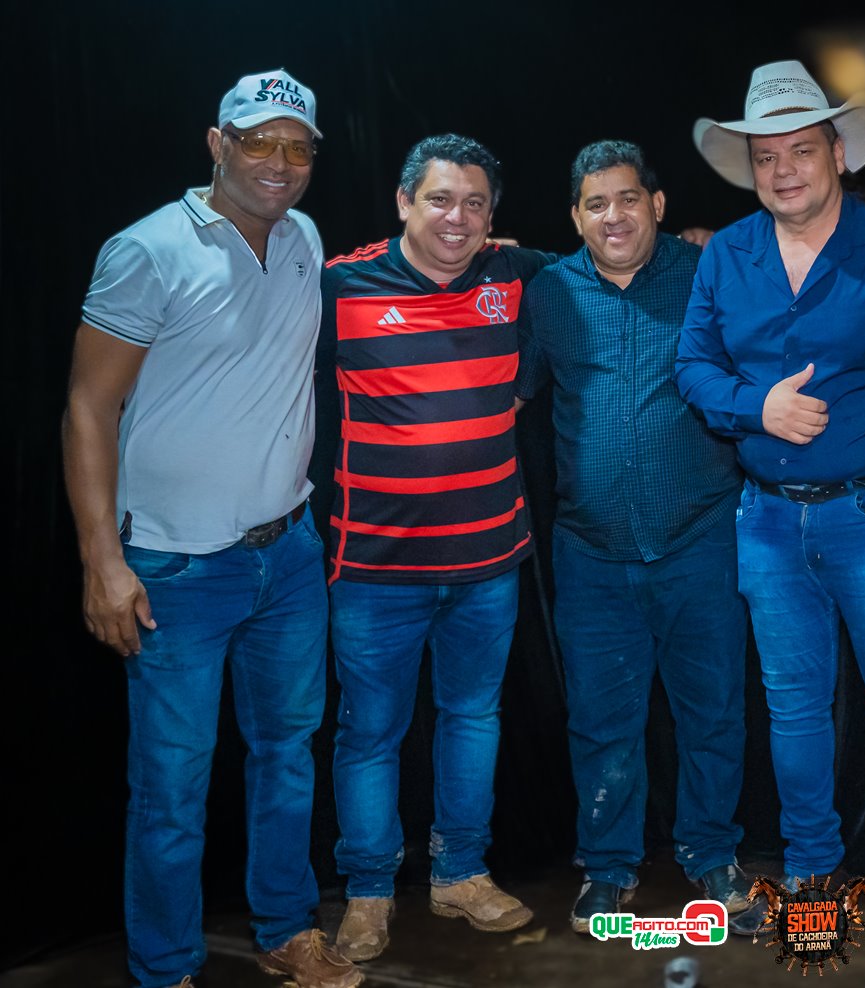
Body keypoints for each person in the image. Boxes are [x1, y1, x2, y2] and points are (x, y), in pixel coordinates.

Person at [61, 71, 362, 988]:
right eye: (258, 141)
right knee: (170, 793)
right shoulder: (148, 250)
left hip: (288, 553)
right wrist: (102, 562)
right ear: (217, 143)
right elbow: (86, 408)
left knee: (286, 758)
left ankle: (285, 929)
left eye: (297, 146)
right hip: (176, 569)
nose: (279, 162)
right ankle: (164, 970)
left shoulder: (305, 238)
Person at [676, 60, 865, 961]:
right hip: (766, 521)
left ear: (837, 153)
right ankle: (811, 875)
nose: (784, 170)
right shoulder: (727, 254)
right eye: (768, 156)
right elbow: (694, 368)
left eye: (802, 150)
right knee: (794, 708)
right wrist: (752, 408)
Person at [513, 139, 767, 936]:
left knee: (715, 711)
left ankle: (712, 857)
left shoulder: (705, 276)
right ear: (576, 219)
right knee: (602, 720)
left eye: (628, 199)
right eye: (596, 204)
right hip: (590, 552)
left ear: (657, 206)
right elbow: (511, 391)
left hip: (700, 540)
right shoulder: (548, 291)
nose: (613, 216)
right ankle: (609, 867)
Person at [316, 134, 551, 962]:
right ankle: (370, 892)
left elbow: (608, 255)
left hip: (489, 562)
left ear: (494, 216)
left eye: (476, 204)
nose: (458, 218)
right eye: (441, 199)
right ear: (404, 201)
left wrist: (688, 240)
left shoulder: (515, 278)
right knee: (370, 733)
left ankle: (460, 874)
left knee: (472, 718)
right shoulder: (339, 286)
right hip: (375, 570)